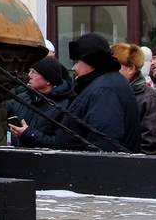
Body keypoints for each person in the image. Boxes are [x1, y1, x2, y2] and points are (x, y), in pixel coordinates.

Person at [10, 34, 139, 153]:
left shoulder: (104, 89)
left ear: (91, 62)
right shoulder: (103, 84)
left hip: (94, 171)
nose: (73, 68)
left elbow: (103, 141)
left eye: (77, 62)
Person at [6, 56, 76, 148]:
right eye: (29, 71)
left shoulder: (65, 106)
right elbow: (1, 109)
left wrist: (28, 134)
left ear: (48, 80)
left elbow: (60, 143)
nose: (29, 75)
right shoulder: (24, 98)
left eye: (34, 72)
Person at [112, 42, 156, 155]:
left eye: (115, 67)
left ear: (131, 69)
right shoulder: (114, 93)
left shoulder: (150, 99)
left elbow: (151, 146)